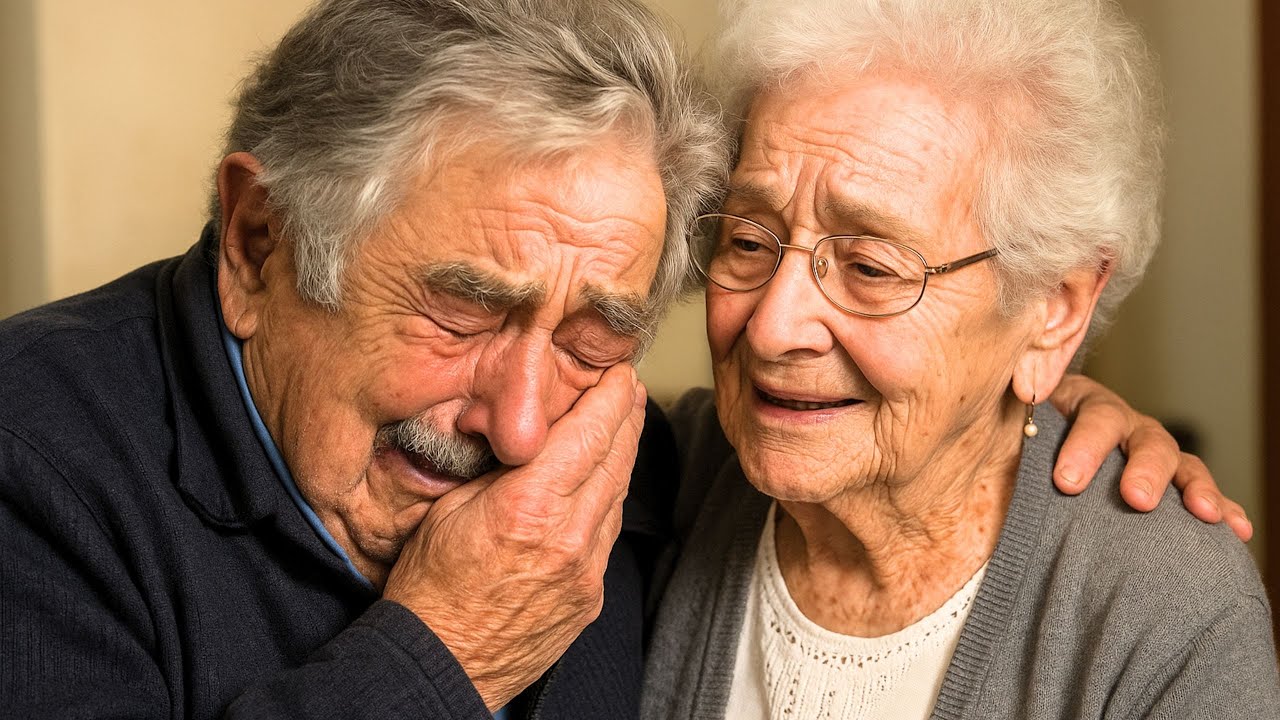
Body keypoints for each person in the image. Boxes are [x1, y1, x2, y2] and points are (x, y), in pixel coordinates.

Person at [0, 0, 1248, 718]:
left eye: (599, 331)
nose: (529, 425)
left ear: (1053, 308)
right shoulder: (30, 461)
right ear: (258, 242)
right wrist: (443, 653)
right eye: (463, 309)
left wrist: (1002, 395)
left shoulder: (670, 471)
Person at [643, 0, 1279, 718]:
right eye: (751, 243)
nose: (771, 328)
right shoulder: (648, 485)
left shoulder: (1164, 611)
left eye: (871, 268)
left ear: (1053, 311)